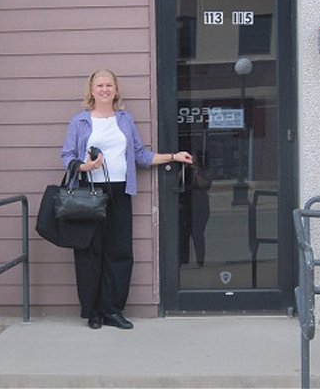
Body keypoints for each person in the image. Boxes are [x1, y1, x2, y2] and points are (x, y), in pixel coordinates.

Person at [61, 69, 192, 330]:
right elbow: (67, 157)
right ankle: (93, 312)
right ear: (91, 90)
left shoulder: (124, 120)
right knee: (90, 253)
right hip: (89, 193)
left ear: (116, 90)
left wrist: (173, 157)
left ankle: (113, 310)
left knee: (119, 252)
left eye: (109, 85)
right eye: (99, 85)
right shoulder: (80, 122)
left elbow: (141, 156)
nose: (104, 89)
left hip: (120, 192)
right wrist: (84, 167)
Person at [179, 152, 212, 266]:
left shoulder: (204, 171)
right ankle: (183, 260)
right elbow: (176, 182)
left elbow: (204, 185)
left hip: (199, 206)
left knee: (197, 233)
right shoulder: (184, 170)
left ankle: (200, 260)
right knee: (183, 234)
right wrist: (183, 168)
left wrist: (196, 170)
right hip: (185, 205)